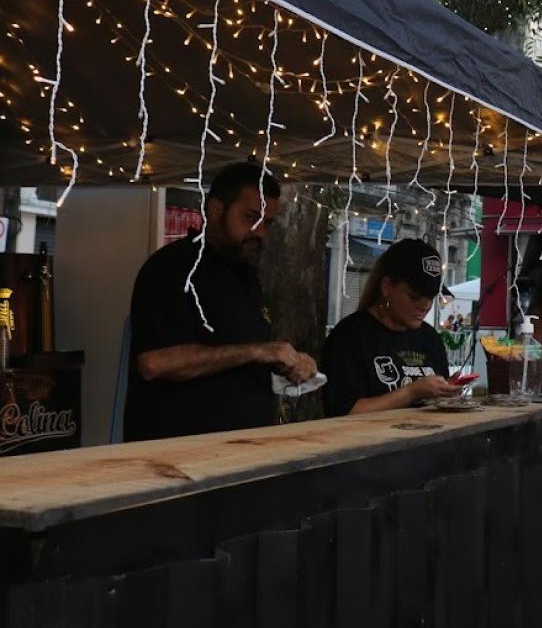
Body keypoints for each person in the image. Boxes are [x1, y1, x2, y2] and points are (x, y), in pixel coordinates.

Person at [124, 162, 317, 441]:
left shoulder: (245, 273)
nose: (260, 232)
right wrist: (256, 352)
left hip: (242, 450)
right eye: (251, 217)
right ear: (215, 210)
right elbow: (155, 363)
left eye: (267, 223)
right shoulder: (171, 267)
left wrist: (290, 363)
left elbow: (242, 356)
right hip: (180, 456)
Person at [321, 239, 459, 416]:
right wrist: (411, 392)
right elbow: (344, 411)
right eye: (414, 297)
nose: (425, 306)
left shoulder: (429, 338)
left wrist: (446, 391)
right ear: (387, 287)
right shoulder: (350, 337)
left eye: (431, 297)